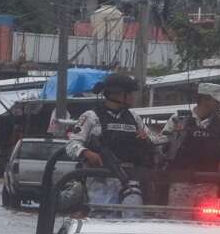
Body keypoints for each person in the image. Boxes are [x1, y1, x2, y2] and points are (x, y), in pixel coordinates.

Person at [65, 72, 156, 206]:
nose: (132, 97)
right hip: (100, 178)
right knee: (103, 216)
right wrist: (86, 153)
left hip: (129, 178)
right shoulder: (91, 117)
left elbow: (155, 139)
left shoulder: (134, 118)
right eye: (129, 93)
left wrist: (147, 138)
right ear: (117, 94)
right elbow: (72, 144)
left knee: (133, 215)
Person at [160, 82, 220, 207]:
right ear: (204, 100)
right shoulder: (179, 119)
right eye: (217, 101)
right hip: (181, 183)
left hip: (211, 183)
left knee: (212, 225)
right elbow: (162, 143)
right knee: (178, 223)